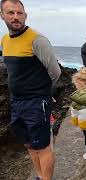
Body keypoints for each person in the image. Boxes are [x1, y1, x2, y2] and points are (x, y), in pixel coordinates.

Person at [0, 0, 61, 179]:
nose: (15, 17)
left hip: (37, 103)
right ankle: (40, 176)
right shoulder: (4, 41)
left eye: (19, 13)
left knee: (42, 147)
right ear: (2, 15)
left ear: (25, 15)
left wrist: (41, 92)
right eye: (10, 13)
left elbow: (55, 72)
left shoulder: (37, 40)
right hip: (16, 102)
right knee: (29, 145)